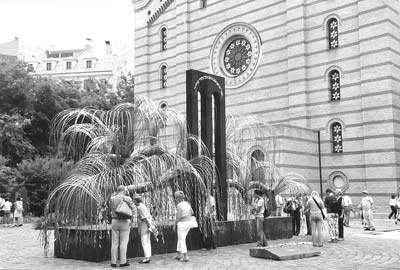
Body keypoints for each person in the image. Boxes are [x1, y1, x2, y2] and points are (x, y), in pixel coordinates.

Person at [109, 185, 135, 268]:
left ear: (117, 190)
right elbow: (134, 209)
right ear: (124, 191)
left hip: (114, 221)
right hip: (125, 222)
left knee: (114, 243)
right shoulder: (128, 199)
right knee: (123, 243)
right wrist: (132, 220)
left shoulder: (112, 199)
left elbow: (111, 209)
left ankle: (113, 262)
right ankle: (123, 262)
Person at [174, 190, 197, 262]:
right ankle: (179, 254)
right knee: (181, 238)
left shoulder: (179, 205)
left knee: (181, 240)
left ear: (178, 198)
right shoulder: (187, 203)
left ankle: (185, 256)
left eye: (176, 197)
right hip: (189, 222)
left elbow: (178, 216)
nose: (175, 199)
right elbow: (192, 212)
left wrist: (175, 224)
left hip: (182, 223)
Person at [134, 195, 152, 264]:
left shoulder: (139, 207)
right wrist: (150, 225)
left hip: (144, 225)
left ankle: (147, 258)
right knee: (147, 241)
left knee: (144, 241)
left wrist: (148, 226)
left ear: (136, 201)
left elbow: (144, 218)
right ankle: (148, 256)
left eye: (134, 201)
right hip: (147, 224)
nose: (133, 202)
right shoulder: (143, 205)